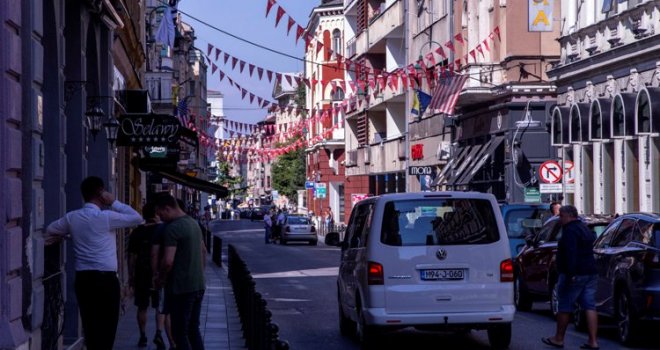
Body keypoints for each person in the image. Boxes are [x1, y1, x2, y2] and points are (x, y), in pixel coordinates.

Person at [45, 176, 143, 350]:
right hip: (106, 280)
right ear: (101, 193)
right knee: (108, 326)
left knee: (90, 326)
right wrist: (115, 202)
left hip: (84, 279)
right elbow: (136, 218)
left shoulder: (72, 218)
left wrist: (70, 236)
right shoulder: (106, 217)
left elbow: (51, 230)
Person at [542, 205, 599, 350]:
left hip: (574, 273)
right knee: (590, 306)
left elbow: (570, 253)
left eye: (561, 216)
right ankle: (593, 341)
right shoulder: (584, 228)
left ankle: (559, 338)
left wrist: (570, 274)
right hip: (590, 271)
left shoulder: (570, 231)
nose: (559, 219)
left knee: (565, 306)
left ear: (569, 216)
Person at [154, 194, 207, 350]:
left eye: (160, 213)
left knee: (179, 333)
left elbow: (168, 260)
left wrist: (160, 278)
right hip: (197, 284)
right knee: (193, 329)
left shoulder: (173, 228)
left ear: (167, 208)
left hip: (181, 287)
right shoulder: (193, 223)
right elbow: (202, 251)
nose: (160, 217)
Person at [127, 202, 167, 349]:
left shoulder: (137, 232)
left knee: (142, 306)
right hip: (159, 273)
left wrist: (131, 275)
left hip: (141, 273)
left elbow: (132, 256)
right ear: (156, 213)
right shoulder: (163, 230)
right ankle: (158, 333)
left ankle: (143, 336)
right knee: (159, 306)